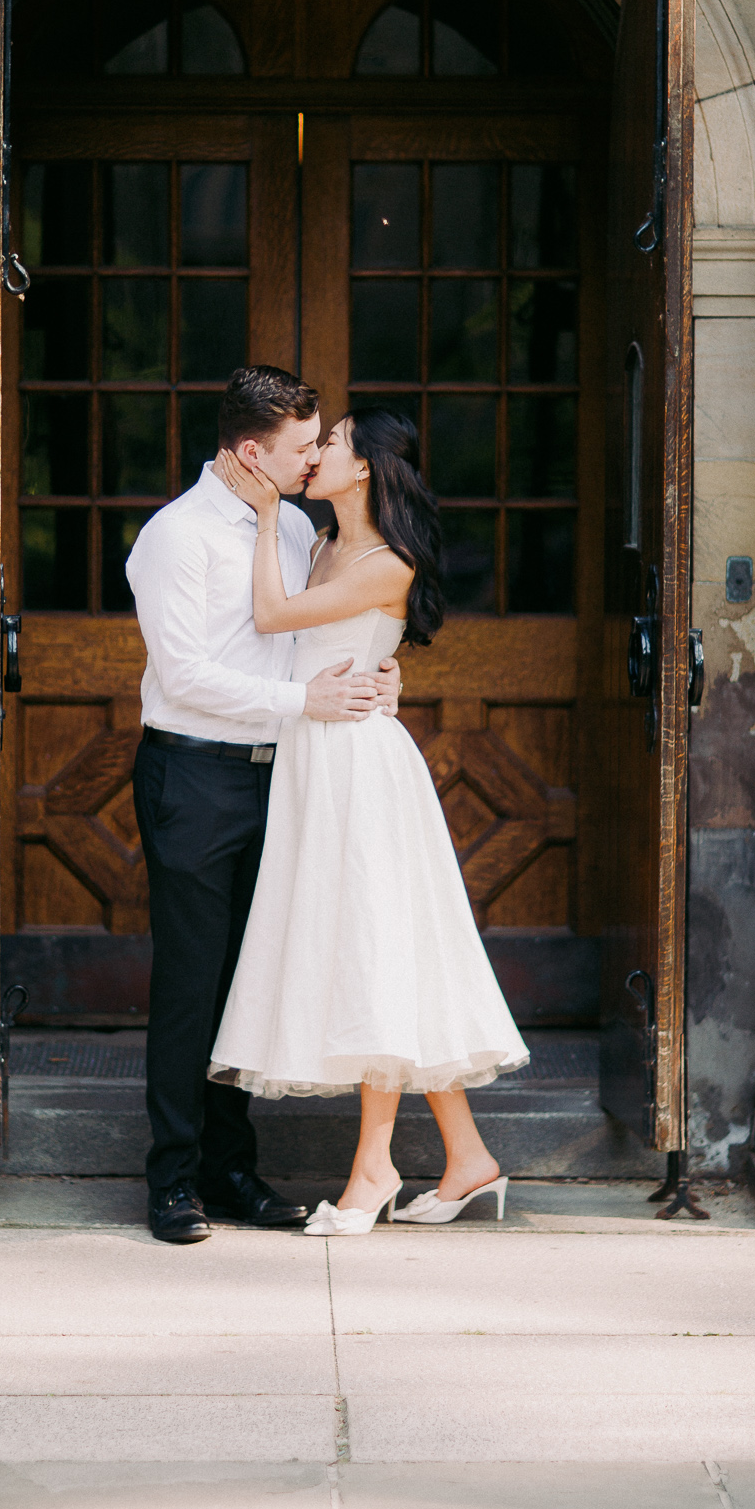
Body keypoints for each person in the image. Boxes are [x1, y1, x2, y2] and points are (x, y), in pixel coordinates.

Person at [209, 408, 529, 1235]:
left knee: (370, 951)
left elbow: (276, 619)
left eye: (333, 442)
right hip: (318, 760)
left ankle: (373, 1168)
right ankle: (467, 1159)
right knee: (386, 953)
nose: (316, 454)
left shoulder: (385, 560)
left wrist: (265, 514)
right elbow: (304, 649)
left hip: (358, 769)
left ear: (365, 470)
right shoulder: (324, 546)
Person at [125, 366, 402, 1245]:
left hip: (280, 777)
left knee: (251, 981)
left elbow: (316, 635)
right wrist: (302, 706)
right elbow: (185, 676)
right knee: (190, 984)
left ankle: (230, 1169)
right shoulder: (175, 538)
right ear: (252, 450)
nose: (315, 456)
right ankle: (171, 1181)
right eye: (301, 446)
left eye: (321, 443)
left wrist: (374, 675)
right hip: (194, 778)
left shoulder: (292, 526)